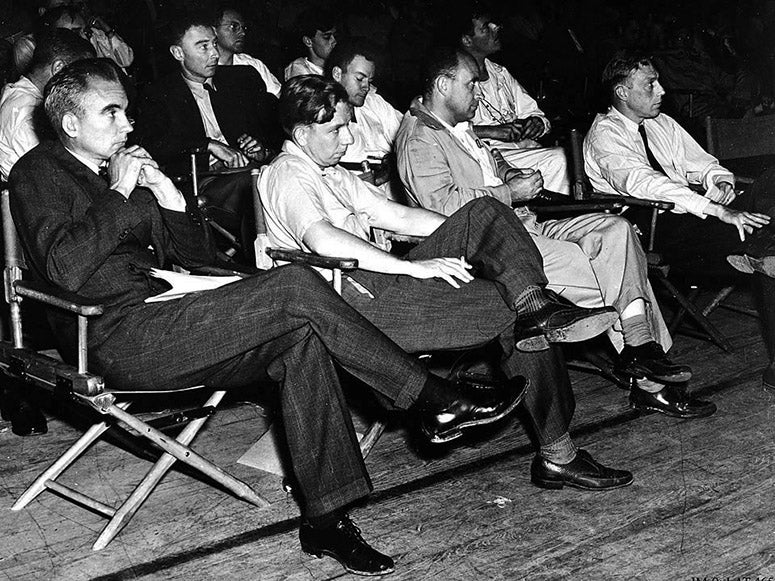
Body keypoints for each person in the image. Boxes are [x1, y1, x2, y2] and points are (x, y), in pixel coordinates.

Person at [8, 58, 525, 578]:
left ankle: (327, 518)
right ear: (71, 124)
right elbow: (65, 268)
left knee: (301, 336)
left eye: (126, 111)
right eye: (112, 113)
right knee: (297, 284)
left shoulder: (120, 167)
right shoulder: (38, 172)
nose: (128, 124)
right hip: (115, 334)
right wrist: (122, 193)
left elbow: (198, 259)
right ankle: (428, 398)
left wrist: (170, 203)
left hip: (172, 319)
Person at [260, 75, 634, 502]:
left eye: (348, 125)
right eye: (336, 130)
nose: (348, 138)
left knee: (485, 210)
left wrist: (475, 234)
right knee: (514, 310)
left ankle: (535, 303)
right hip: (352, 307)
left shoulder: (329, 173)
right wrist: (413, 268)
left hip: (381, 285)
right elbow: (324, 240)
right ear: (302, 133)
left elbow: (397, 217)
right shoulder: (287, 173)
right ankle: (558, 451)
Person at [395, 46, 714, 419]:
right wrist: (508, 192)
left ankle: (641, 350)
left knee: (617, 231)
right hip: (496, 248)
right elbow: (443, 209)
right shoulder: (420, 139)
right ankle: (650, 378)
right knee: (621, 275)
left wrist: (513, 177)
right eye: (472, 85)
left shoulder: (457, 128)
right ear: (443, 84)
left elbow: (495, 166)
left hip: (528, 224)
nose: (480, 94)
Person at [584, 51, 775, 392]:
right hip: (654, 228)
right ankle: (759, 251)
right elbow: (645, 183)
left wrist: (719, 181)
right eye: (651, 84)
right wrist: (715, 209)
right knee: (765, 245)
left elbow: (701, 162)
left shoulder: (661, 124)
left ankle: (760, 251)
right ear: (622, 92)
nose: (662, 91)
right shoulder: (605, 134)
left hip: (695, 212)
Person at [136, 13, 280, 260]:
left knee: (277, 176)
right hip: (203, 182)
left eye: (214, 43)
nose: (214, 53)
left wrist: (261, 149)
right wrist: (208, 146)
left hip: (253, 170)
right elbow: (152, 146)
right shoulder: (159, 95)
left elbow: (275, 130)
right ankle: (263, 262)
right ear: (178, 53)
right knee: (256, 185)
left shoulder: (241, 80)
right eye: (203, 46)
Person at [455, 7, 571, 195]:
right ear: (467, 40)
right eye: (486, 27)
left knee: (560, 155)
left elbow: (537, 115)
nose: (496, 28)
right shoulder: (454, 78)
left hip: (521, 150)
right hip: (486, 155)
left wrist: (536, 123)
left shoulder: (500, 73)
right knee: (559, 158)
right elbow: (445, 129)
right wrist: (492, 132)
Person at [0, 28, 94, 181]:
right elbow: (51, 177)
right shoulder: (26, 110)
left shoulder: (21, 91)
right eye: (78, 75)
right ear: (59, 68)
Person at [325, 38, 404, 200]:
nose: (366, 87)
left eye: (370, 81)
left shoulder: (375, 103)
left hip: (394, 193)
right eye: (360, 79)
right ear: (337, 74)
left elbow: (407, 136)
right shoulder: (321, 116)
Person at [214, 7, 282, 97]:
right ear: (214, 30)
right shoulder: (204, 67)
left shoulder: (252, 64)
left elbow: (277, 96)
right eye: (234, 27)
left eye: (243, 28)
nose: (243, 33)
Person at [283, 8, 337, 80]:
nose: (334, 41)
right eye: (327, 37)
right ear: (308, 41)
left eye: (335, 36)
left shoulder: (337, 64)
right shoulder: (298, 70)